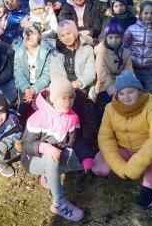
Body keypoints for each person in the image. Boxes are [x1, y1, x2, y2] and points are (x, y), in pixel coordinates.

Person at [21, 76, 93, 222]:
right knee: (50, 157)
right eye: (63, 98)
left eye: (71, 97)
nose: (68, 102)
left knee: (91, 159)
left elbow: (74, 142)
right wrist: (45, 147)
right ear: (53, 99)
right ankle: (59, 203)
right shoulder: (38, 117)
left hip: (58, 154)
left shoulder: (72, 117)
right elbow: (26, 145)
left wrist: (86, 156)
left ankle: (49, 176)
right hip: (33, 159)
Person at [92, 71, 152, 210]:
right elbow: (105, 137)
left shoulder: (150, 106)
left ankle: (148, 187)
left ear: (138, 91)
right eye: (121, 93)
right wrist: (120, 167)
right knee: (98, 167)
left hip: (144, 148)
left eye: (130, 92)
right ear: (116, 95)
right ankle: (126, 168)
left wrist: (137, 164)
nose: (125, 97)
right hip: (123, 149)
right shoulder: (110, 108)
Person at [50, 20, 96, 146]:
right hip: (63, 86)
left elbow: (90, 72)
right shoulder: (56, 53)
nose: (66, 38)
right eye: (62, 35)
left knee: (77, 99)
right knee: (59, 100)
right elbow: (55, 73)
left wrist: (79, 83)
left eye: (68, 33)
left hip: (81, 86)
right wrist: (64, 86)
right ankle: (60, 135)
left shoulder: (86, 49)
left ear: (75, 33)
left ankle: (77, 137)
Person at [123, 1, 152, 94]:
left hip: (150, 69)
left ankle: (149, 107)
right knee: (135, 90)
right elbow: (125, 44)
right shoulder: (132, 29)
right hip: (134, 67)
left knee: (149, 91)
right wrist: (130, 56)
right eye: (146, 13)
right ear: (140, 14)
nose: (149, 16)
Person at [13, 22, 52, 125]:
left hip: (40, 85)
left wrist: (34, 89)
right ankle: (23, 132)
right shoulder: (19, 51)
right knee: (24, 109)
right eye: (27, 34)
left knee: (40, 107)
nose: (30, 37)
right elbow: (18, 73)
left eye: (33, 34)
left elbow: (46, 74)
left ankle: (41, 131)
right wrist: (26, 89)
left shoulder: (46, 51)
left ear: (39, 35)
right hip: (25, 86)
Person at [92, 20, 133, 117]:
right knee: (106, 103)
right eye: (110, 37)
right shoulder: (102, 53)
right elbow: (103, 73)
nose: (114, 40)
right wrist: (112, 89)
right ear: (106, 38)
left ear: (121, 38)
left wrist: (128, 85)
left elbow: (129, 71)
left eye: (117, 37)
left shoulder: (125, 52)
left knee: (129, 99)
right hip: (104, 84)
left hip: (121, 81)